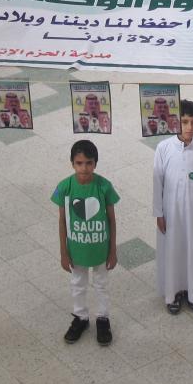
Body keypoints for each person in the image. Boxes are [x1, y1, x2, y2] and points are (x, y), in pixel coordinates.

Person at [52, 140, 119, 346]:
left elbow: (111, 220)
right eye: (79, 163)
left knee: (101, 285)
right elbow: (62, 221)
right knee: (77, 284)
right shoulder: (65, 187)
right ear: (72, 163)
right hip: (76, 249)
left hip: (100, 249)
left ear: (95, 163)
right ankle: (80, 317)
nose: (84, 168)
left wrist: (113, 250)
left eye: (89, 163)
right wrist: (63, 252)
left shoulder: (104, 186)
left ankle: (103, 318)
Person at [153, 100, 193, 315]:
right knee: (172, 251)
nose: (189, 127)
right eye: (184, 121)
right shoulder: (163, 148)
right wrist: (158, 213)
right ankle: (173, 293)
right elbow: (157, 183)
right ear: (175, 122)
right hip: (170, 211)